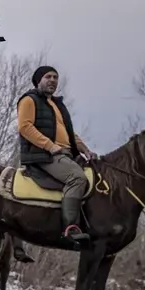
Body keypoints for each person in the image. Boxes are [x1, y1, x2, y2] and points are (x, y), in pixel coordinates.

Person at [17, 65, 98, 244]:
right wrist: (51, 146)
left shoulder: (57, 105)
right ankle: (71, 227)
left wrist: (85, 149)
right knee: (77, 177)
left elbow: (70, 133)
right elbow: (25, 127)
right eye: (48, 77)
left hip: (65, 154)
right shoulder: (29, 100)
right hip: (44, 155)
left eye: (55, 77)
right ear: (39, 80)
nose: (53, 80)